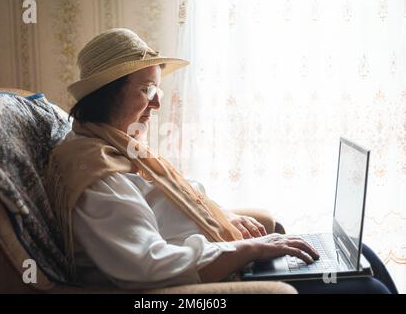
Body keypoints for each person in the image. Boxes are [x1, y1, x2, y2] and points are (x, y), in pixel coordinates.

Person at [45, 28, 398, 293]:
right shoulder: (95, 174)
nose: (157, 103)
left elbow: (168, 209)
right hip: (208, 281)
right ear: (108, 94)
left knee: (361, 257)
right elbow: (146, 264)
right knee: (368, 289)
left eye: (158, 90)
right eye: (146, 90)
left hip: (223, 255)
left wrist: (223, 217)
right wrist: (246, 249)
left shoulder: (113, 144)